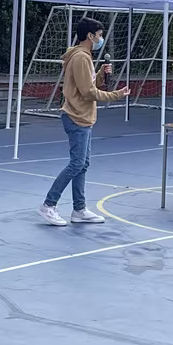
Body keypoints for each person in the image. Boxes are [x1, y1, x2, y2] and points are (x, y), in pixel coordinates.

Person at [38, 18, 130, 226]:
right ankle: (48, 204)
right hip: (76, 115)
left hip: (83, 116)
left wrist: (100, 75)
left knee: (82, 164)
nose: (100, 39)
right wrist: (116, 95)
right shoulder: (81, 57)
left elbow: (87, 84)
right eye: (99, 35)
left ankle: (79, 209)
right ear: (90, 36)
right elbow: (88, 92)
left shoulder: (84, 57)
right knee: (77, 164)